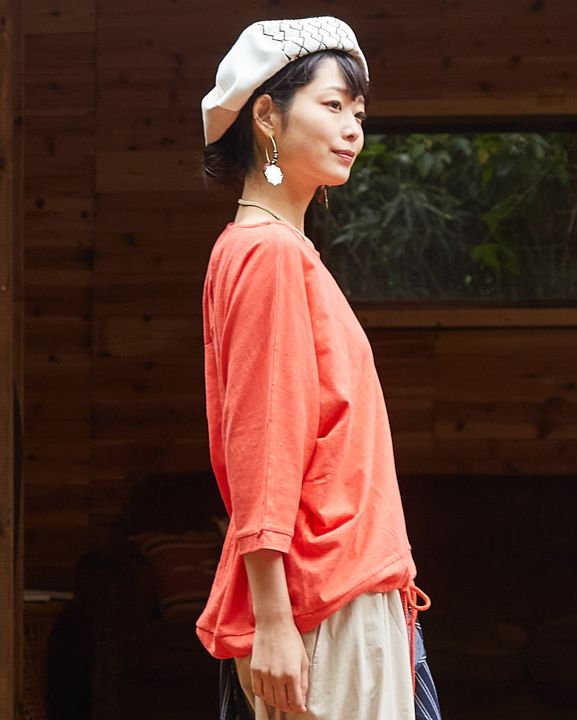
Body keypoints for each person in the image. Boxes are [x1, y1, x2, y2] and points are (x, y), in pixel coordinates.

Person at [196, 16, 442, 720]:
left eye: (358, 114)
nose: (352, 129)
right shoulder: (268, 254)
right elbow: (262, 442)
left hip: (342, 589)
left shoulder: (270, 248)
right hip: (321, 601)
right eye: (332, 105)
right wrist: (274, 620)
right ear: (266, 116)